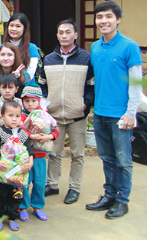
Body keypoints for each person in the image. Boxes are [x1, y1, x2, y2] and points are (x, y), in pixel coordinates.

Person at [86, 1, 141, 220]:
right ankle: (109, 195)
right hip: (100, 113)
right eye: (100, 17)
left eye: (108, 17)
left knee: (123, 160)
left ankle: (122, 201)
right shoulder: (95, 47)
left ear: (118, 19)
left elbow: (136, 84)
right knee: (107, 158)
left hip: (120, 115)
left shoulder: (129, 46)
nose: (103, 21)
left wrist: (130, 113)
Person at [40, 19, 94, 205]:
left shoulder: (86, 58)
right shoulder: (48, 59)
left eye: (68, 32)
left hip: (77, 115)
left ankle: (74, 188)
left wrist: (85, 104)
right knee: (54, 152)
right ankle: (52, 184)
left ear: (75, 35)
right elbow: (42, 85)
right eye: (61, 32)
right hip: (54, 115)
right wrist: (46, 103)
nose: (64, 35)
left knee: (77, 154)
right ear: (57, 35)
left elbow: (92, 85)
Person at [0, 100, 34, 232]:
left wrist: (30, 162)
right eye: (10, 115)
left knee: (16, 195)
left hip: (18, 173)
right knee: (0, 195)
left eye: (17, 116)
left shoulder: (23, 134)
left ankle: (12, 217)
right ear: (2, 116)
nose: (14, 119)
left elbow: (29, 151)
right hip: (3, 171)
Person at [18, 85, 59, 223]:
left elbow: (55, 129)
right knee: (24, 183)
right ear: (22, 101)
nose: (30, 104)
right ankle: (23, 207)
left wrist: (50, 137)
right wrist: (32, 136)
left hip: (40, 156)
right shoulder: (21, 115)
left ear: (39, 101)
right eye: (27, 101)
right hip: (24, 156)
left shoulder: (44, 116)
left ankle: (37, 206)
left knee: (40, 183)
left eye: (33, 101)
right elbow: (20, 130)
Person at [0, 13, 40, 82]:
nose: (13, 29)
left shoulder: (32, 48)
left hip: (26, 87)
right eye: (11, 25)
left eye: (18, 26)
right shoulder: (1, 47)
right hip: (5, 87)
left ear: (24, 28)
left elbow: (30, 74)